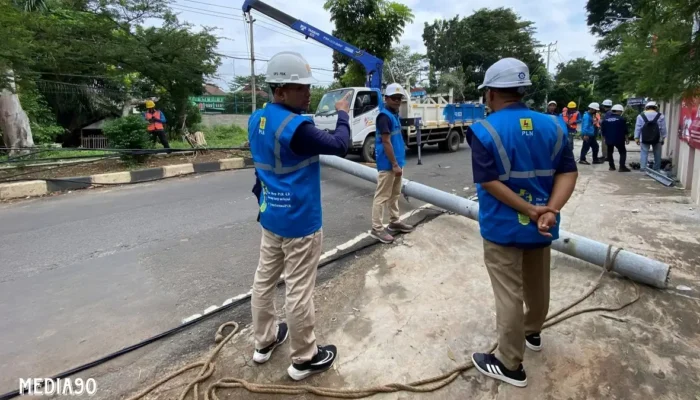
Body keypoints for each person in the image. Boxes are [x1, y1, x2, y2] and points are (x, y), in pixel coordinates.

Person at [466, 57, 578, 388]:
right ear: (522, 90)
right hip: (542, 226)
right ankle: (533, 332)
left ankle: (509, 363)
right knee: (537, 281)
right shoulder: (554, 125)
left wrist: (530, 210)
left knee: (508, 294)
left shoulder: (484, 130)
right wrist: (549, 210)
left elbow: (489, 182)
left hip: (502, 227)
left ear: (491, 94)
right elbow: (568, 172)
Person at [248, 51, 353, 381]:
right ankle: (305, 358)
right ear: (279, 91)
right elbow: (340, 144)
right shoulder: (297, 126)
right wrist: (343, 116)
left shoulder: (257, 119)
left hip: (271, 217)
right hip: (300, 223)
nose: (309, 94)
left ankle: (264, 341)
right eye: (301, 88)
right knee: (298, 290)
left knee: (264, 281)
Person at [369, 83, 414, 244]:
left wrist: (398, 163)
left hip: (397, 163)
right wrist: (394, 164)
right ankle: (377, 229)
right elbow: (386, 142)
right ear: (386, 98)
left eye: (399, 98)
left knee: (394, 194)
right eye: (393, 98)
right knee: (382, 196)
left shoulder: (394, 115)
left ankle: (394, 222)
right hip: (388, 165)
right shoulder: (384, 116)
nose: (396, 101)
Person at [635, 101, 667, 171]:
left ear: (646, 107)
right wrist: (663, 137)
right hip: (657, 138)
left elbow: (638, 127)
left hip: (644, 137)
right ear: (656, 108)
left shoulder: (640, 116)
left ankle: (643, 167)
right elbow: (663, 128)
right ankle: (656, 169)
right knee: (657, 154)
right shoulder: (660, 116)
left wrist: (636, 138)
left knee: (644, 153)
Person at [601, 104, 631, 172]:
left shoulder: (605, 120)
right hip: (619, 139)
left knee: (610, 152)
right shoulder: (621, 119)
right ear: (619, 111)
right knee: (623, 152)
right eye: (621, 112)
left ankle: (611, 167)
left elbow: (603, 131)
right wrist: (626, 138)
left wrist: (605, 138)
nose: (621, 113)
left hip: (609, 139)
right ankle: (622, 167)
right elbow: (625, 130)